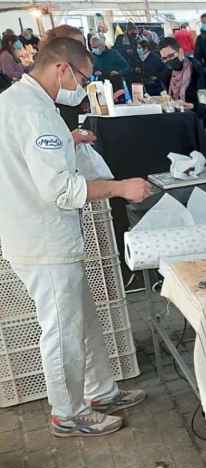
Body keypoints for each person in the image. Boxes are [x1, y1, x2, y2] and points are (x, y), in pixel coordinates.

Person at [0, 38, 150, 437]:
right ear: (62, 68)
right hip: (43, 239)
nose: (83, 87)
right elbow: (60, 189)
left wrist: (69, 139)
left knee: (82, 321)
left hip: (42, 234)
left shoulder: (23, 102)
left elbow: (30, 155)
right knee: (63, 330)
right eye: (83, 78)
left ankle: (101, 391)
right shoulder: (34, 112)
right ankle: (68, 413)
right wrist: (119, 188)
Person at [157, 37, 203, 110]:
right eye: (164, 58)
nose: (168, 60)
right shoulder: (166, 75)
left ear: (181, 52)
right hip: (176, 115)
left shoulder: (197, 71)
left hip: (196, 115)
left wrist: (193, 106)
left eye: (171, 56)